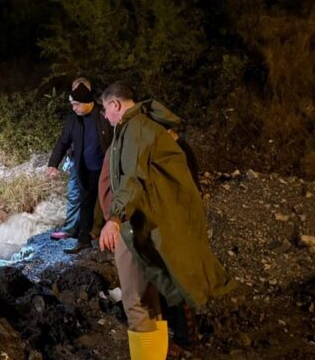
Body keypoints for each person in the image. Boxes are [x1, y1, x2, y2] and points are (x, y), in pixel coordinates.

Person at [98, 82, 236, 360]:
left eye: (104, 109)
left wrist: (114, 219)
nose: (105, 116)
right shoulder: (139, 126)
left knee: (135, 302)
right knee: (149, 300)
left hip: (134, 223)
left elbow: (132, 179)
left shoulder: (134, 127)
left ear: (115, 104)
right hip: (141, 223)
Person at [47, 78, 112, 253]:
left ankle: (105, 239)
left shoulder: (103, 115)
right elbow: (63, 141)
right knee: (85, 204)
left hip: (106, 169)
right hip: (84, 168)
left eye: (76, 104)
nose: (73, 108)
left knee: (106, 203)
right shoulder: (74, 119)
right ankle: (83, 241)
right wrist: (53, 164)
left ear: (86, 102)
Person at [50, 149, 81, 240]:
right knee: (76, 193)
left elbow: (65, 139)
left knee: (74, 193)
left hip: (82, 156)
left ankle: (71, 229)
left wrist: (54, 163)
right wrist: (54, 163)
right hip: (76, 156)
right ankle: (74, 228)